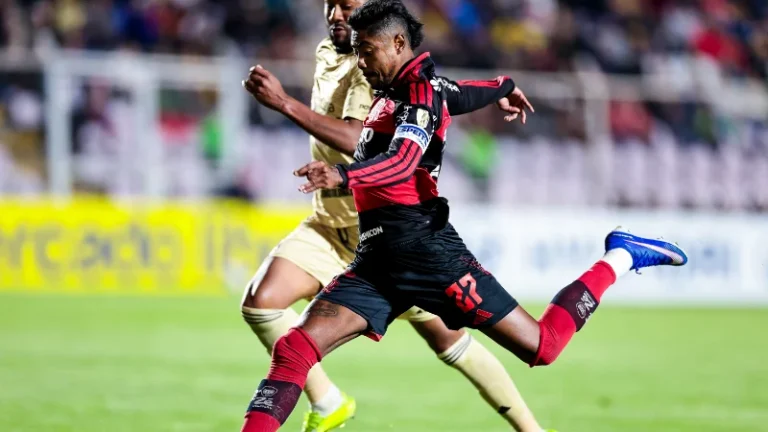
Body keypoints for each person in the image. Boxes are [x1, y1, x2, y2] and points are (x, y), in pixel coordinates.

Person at [240, 1, 550, 430]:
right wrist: (503, 86)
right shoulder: (330, 53)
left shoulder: (379, 68)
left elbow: (364, 139)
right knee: (261, 303)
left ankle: (531, 428)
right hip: (331, 222)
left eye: (347, 5)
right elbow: (454, 91)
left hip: (389, 235)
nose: (335, 14)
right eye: (330, 4)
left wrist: (284, 104)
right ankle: (328, 402)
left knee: (450, 340)